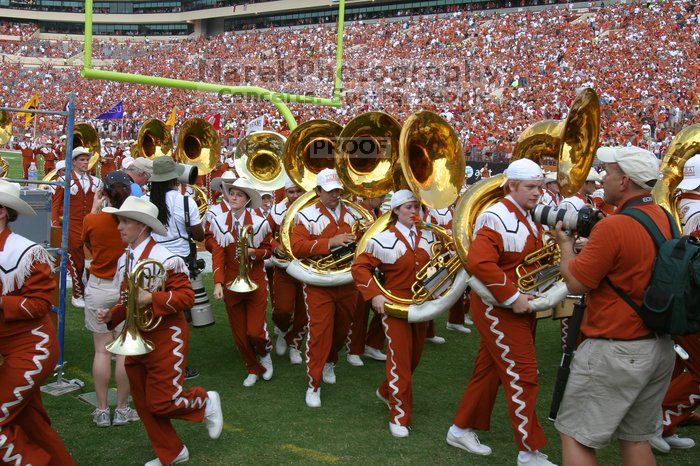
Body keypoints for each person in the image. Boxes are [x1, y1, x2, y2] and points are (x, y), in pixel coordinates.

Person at [554, 146, 675, 465]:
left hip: (617, 348)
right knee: (636, 439)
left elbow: (576, 283)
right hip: (657, 346)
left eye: (607, 171)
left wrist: (566, 246)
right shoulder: (662, 216)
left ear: (624, 182)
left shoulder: (613, 225)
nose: (602, 178)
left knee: (576, 436)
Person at [96, 196, 223, 466]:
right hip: (137, 338)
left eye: (125, 221)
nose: (119, 227)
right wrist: (112, 315)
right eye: (119, 221)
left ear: (142, 226)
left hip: (167, 337)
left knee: (162, 401)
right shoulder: (126, 258)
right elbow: (126, 301)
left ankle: (204, 401)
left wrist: (151, 299)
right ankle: (172, 452)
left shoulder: (166, 258)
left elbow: (186, 298)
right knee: (142, 403)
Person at [447, 159, 555, 466]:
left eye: (541, 187)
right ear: (512, 187)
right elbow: (480, 263)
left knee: (490, 371)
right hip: (500, 308)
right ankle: (528, 450)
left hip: (519, 306)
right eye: (532, 187)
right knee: (523, 375)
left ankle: (459, 428)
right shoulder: (495, 215)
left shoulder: (529, 215)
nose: (538, 193)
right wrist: (511, 295)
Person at [0, 179, 75, 465]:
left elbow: (42, 305)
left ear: (2, 212)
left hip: (33, 348)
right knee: (32, 424)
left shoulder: (27, 252)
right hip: (6, 351)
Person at [351, 190, 433, 438]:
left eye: (415, 207)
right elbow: (360, 268)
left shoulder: (427, 236)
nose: (413, 211)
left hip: (421, 306)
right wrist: (375, 294)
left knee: (414, 357)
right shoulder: (382, 238)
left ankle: (386, 390)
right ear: (395, 210)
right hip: (395, 307)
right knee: (399, 360)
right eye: (407, 207)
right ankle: (399, 414)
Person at [290, 168, 360, 408]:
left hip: (347, 282)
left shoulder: (353, 213)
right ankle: (313, 384)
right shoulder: (306, 215)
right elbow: (297, 246)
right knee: (319, 334)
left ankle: (331, 360)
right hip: (318, 284)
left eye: (338, 190)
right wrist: (330, 242)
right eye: (330, 191)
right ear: (318, 191)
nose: (335, 195)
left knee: (341, 330)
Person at [82, 171, 139, 428]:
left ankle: (103, 410)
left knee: (101, 350)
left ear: (103, 192)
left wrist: (95, 208)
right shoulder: (131, 222)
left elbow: (87, 244)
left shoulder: (91, 220)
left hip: (98, 286)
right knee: (123, 351)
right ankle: (123, 408)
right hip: (123, 287)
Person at [655, 153, 700, 451]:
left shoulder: (686, 202)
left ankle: (662, 423)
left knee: (681, 367)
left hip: (685, 295)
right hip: (692, 298)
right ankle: (658, 423)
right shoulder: (697, 208)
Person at [210, 177, 274, 387]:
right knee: (239, 334)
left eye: (239, 194)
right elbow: (218, 254)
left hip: (255, 281)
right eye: (232, 193)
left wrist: (253, 252)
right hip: (231, 283)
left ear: (247, 199)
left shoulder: (259, 222)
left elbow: (269, 251)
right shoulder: (219, 221)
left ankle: (264, 353)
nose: (234, 197)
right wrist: (218, 282)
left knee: (254, 331)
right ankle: (252, 367)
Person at [146, 156, 203, 380]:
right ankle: (178, 363)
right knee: (179, 315)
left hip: (153, 260)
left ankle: (155, 359)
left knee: (155, 310)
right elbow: (198, 233)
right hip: (180, 262)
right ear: (173, 179)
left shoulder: (145, 199)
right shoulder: (185, 201)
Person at [51, 146, 102, 308]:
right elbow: (56, 204)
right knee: (76, 260)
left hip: (90, 224)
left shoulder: (95, 181)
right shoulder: (65, 179)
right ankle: (77, 293)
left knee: (92, 261)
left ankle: (90, 292)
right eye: (82, 160)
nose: (86, 162)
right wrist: (55, 223)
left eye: (87, 160)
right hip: (72, 224)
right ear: (73, 162)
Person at [268, 178, 307, 364]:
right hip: (284, 267)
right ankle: (283, 330)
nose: (295, 195)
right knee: (282, 309)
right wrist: (275, 245)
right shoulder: (276, 210)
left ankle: (295, 345)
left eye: (298, 191)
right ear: (285, 193)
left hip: (307, 266)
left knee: (304, 311)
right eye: (291, 192)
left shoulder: (311, 208)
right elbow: (266, 234)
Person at [347, 194, 387, 366]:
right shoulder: (355, 211)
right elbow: (348, 237)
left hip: (379, 265)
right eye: (381, 197)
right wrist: (363, 231)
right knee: (360, 311)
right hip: (360, 265)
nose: (383, 200)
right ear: (370, 197)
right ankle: (353, 350)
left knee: (385, 307)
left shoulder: (380, 213)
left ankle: (373, 344)